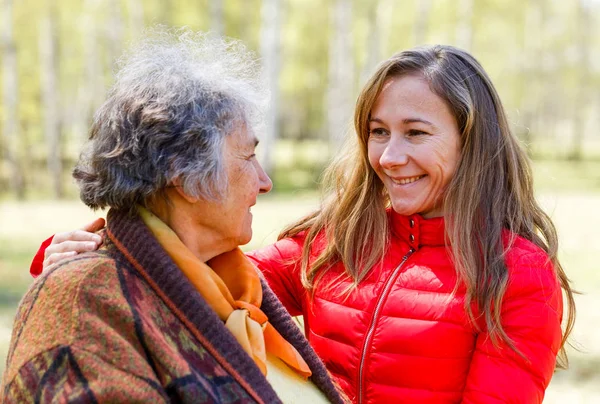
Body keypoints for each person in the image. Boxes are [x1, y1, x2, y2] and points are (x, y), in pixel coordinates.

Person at [30, 45, 575, 403]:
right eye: (378, 131)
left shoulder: (515, 275)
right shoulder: (339, 239)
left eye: (416, 133)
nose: (388, 156)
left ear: (471, 143)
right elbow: (202, 270)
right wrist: (76, 252)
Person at [1, 29, 345, 403]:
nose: (265, 182)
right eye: (247, 157)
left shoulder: (232, 285)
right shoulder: (83, 302)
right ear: (183, 172)